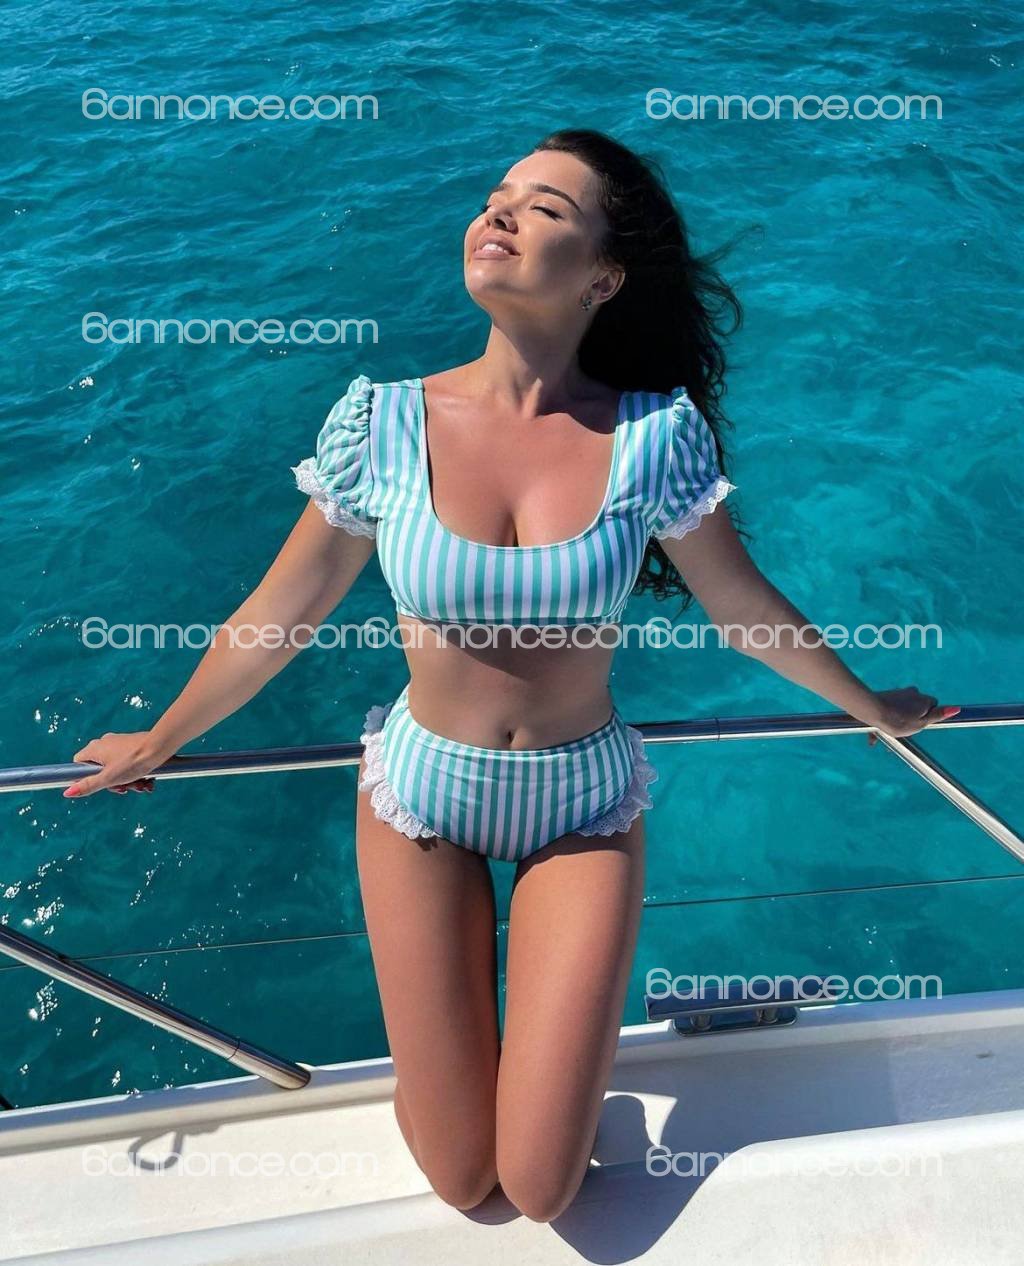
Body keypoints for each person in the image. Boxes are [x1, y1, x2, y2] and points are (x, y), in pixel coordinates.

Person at [64, 128, 959, 1222]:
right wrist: (161, 738)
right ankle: (488, 1069)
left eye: (544, 208)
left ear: (603, 277)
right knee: (461, 1176)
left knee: (538, 1186)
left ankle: (539, 1076)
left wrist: (872, 706)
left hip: (582, 804)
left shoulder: (653, 436)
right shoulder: (380, 422)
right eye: (497, 196)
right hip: (419, 798)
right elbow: (282, 611)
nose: (499, 214)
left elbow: (740, 608)